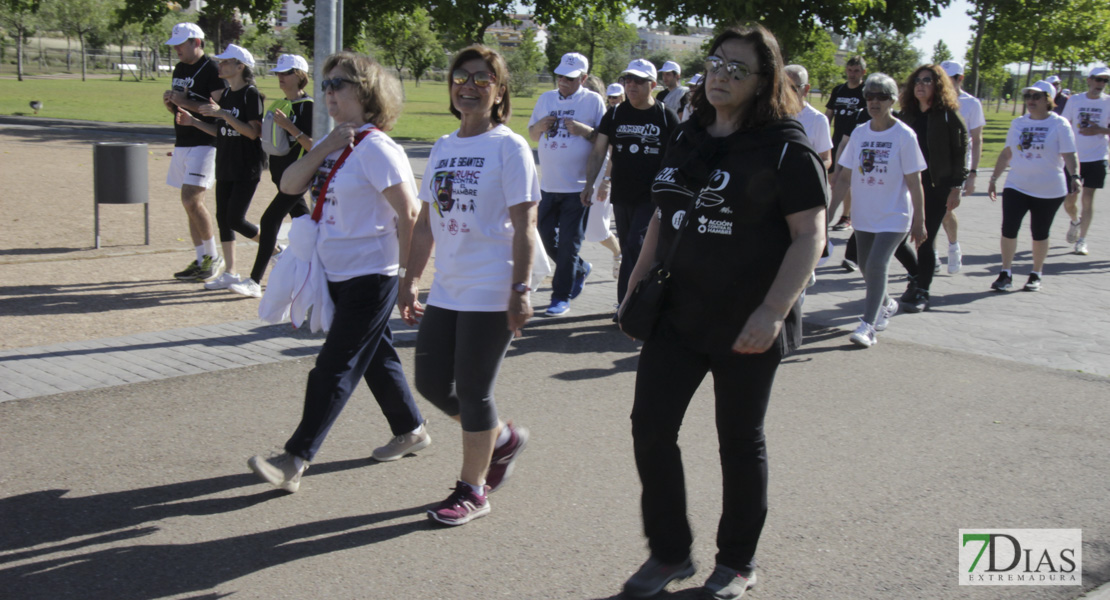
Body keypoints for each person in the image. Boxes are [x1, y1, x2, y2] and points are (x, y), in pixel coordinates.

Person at [619, 25, 826, 600]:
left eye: (738, 68)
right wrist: (635, 288)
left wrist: (773, 311)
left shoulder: (786, 146)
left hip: (747, 322)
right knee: (651, 429)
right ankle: (669, 552)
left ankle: (736, 562)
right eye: (716, 63)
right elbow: (663, 216)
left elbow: (811, 234)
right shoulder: (689, 136)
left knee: (738, 441)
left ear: (765, 82)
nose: (721, 75)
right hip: (676, 316)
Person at [247, 52, 430, 493]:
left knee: (334, 366)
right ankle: (411, 430)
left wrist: (409, 281)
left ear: (366, 92)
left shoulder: (379, 149)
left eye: (338, 84)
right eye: (325, 84)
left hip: (372, 276)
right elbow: (290, 185)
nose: (328, 92)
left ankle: (295, 458)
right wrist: (325, 145)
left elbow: (410, 214)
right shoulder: (337, 144)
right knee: (375, 358)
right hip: (336, 273)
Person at [401, 45, 536, 527]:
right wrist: (410, 279)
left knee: (475, 390)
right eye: (461, 76)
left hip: (493, 283)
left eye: (483, 78)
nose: (470, 85)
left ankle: (473, 490)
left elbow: (525, 224)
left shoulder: (509, 146)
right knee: (432, 383)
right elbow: (423, 224)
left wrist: (521, 288)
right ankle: (500, 438)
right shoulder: (442, 145)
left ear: (499, 91)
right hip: (450, 286)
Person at [830, 74, 928, 347]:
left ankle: (867, 325)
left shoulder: (904, 135)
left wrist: (919, 220)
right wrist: (828, 214)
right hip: (865, 214)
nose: (874, 101)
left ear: (892, 100)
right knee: (864, 265)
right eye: (869, 96)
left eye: (881, 97)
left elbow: (914, 181)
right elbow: (845, 178)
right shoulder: (860, 133)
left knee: (876, 264)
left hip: (894, 215)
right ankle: (886, 304)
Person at [583, 59, 679, 307]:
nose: (631, 85)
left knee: (636, 245)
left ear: (653, 85)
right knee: (629, 249)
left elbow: (679, 155)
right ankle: (642, 299)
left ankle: (625, 304)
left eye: (639, 81)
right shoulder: (615, 114)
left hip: (652, 197)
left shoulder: (665, 116)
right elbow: (598, 151)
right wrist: (589, 184)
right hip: (622, 195)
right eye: (628, 80)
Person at [175, 44, 266, 291]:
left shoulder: (251, 94)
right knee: (223, 219)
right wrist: (194, 122)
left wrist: (223, 113)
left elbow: (251, 132)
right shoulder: (225, 95)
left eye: (227, 62)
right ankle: (230, 273)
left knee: (236, 219)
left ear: (240, 67)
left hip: (246, 165)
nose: (221, 65)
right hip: (225, 162)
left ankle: (276, 250)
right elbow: (222, 131)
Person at [527, 52, 606, 316]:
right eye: (560, 75)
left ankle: (560, 297)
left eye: (570, 78)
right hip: (549, 186)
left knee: (569, 245)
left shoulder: (593, 101)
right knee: (545, 237)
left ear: (583, 78)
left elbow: (603, 141)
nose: (563, 81)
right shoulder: (546, 99)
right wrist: (539, 124)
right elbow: (532, 134)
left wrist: (585, 131)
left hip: (578, 187)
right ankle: (580, 268)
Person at [229, 53, 314, 298]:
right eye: (278, 73)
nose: (281, 77)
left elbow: (314, 147)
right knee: (307, 227)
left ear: (300, 76)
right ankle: (315, 273)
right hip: (283, 180)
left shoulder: (308, 107)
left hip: (297, 178)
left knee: (268, 221)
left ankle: (255, 281)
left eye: (286, 73)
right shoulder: (279, 105)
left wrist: (290, 127)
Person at [987, 81, 1079, 292]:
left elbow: (1069, 153)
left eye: (1036, 97)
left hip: (1049, 188)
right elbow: (1007, 153)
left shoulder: (1060, 124)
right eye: (1028, 96)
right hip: (1017, 185)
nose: (1030, 100)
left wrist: (1075, 176)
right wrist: (993, 179)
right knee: (1009, 228)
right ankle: (1005, 273)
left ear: (1049, 100)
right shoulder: (1018, 123)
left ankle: (1036, 273)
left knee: (1040, 232)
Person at [894, 64, 969, 313]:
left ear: (938, 85)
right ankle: (917, 276)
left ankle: (922, 291)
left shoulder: (948, 115)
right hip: (908, 187)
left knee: (924, 240)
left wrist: (957, 186)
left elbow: (961, 152)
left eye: (927, 80)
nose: (920, 85)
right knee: (895, 239)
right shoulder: (906, 116)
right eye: (917, 80)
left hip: (937, 188)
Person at [162, 23, 226, 282]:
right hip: (184, 140)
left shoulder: (212, 69)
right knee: (189, 204)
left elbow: (220, 109)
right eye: (175, 43)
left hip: (206, 141)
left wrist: (183, 102)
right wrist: (171, 105)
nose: (176, 48)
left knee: (191, 199)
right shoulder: (180, 68)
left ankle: (213, 257)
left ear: (197, 43)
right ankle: (201, 260)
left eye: (181, 43)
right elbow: (181, 109)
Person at [938, 60, 985, 275]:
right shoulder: (934, 100)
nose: (944, 83)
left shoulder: (971, 104)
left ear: (960, 79)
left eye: (949, 79)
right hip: (934, 164)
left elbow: (977, 138)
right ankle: (930, 254)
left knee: (946, 210)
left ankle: (953, 245)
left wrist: (973, 172)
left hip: (958, 166)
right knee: (929, 210)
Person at [1060, 66, 1110, 255]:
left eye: (1105, 81)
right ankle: (1075, 221)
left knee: (1088, 199)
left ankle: (1082, 240)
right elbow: (1064, 125)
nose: (1101, 84)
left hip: (1097, 158)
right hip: (1074, 159)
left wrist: (1100, 130)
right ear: (1089, 80)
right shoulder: (1075, 100)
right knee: (1069, 202)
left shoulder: (1108, 102)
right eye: (1098, 79)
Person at [581, 77, 623, 279]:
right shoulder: (577, 112)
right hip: (580, 176)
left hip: (601, 176)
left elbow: (612, 151)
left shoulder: (609, 116)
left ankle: (618, 253)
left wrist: (607, 181)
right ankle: (576, 266)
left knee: (596, 230)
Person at [825, 55, 868, 230]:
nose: (852, 74)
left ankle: (846, 216)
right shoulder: (839, 90)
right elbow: (828, 114)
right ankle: (842, 213)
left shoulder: (866, 91)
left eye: (856, 71)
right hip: (837, 140)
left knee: (846, 179)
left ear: (863, 72)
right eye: (849, 70)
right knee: (833, 178)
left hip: (856, 142)